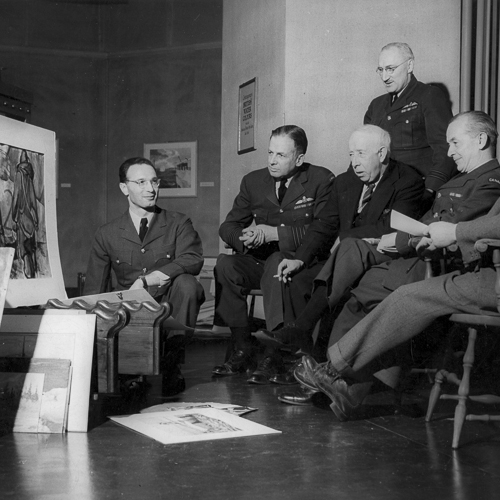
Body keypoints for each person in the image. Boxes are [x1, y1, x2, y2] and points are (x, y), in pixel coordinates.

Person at [264, 111, 500, 404]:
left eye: (455, 143)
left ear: (481, 140)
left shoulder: (490, 181)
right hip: (417, 258)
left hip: (437, 266)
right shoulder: (456, 181)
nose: (448, 152)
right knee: (356, 297)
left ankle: (333, 376)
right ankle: (338, 389)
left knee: (374, 288)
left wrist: (400, 239)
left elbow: (449, 232)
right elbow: (426, 223)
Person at [295, 197, 500, 421]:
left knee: (408, 296)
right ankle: (350, 388)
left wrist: (456, 232)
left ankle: (333, 370)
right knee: (403, 299)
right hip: (486, 274)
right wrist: (450, 241)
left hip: (492, 280)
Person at [253, 124, 424, 384]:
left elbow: (391, 228)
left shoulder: (407, 180)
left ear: (381, 154)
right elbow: (324, 225)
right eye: (350, 154)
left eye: (360, 154)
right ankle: (305, 365)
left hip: (387, 257)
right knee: (297, 277)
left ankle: (301, 332)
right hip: (347, 260)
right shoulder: (346, 181)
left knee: (346, 253)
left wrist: (345, 239)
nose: (354, 162)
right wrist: (300, 259)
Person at [212, 125, 334, 378]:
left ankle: (275, 351)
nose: (272, 161)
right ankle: (243, 346)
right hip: (261, 262)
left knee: (277, 260)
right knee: (225, 264)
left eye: (281, 155)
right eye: (270, 153)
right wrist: (244, 237)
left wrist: (273, 233)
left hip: (302, 264)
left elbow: (322, 231)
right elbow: (228, 226)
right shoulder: (253, 181)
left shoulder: (321, 179)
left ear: (299, 159)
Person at [84, 156, 205, 394]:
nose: (150, 189)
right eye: (140, 182)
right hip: (128, 313)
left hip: (169, 308)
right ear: (124, 188)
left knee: (188, 284)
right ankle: (129, 369)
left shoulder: (178, 223)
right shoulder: (107, 233)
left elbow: (192, 259)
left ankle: (171, 365)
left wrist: (149, 278)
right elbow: (94, 290)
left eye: (154, 182)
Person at [365, 42, 456, 203]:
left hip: (417, 191)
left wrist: (430, 189)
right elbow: (364, 151)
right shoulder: (376, 105)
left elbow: (445, 149)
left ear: (409, 66)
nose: (385, 77)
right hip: (382, 192)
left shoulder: (429, 96)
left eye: (391, 69)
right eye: (381, 70)